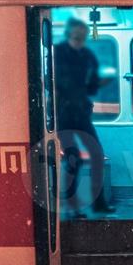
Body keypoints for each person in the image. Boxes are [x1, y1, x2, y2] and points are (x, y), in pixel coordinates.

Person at [53, 17, 114, 214]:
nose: (81, 36)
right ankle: (72, 204)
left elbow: (91, 85)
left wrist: (100, 84)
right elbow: (58, 83)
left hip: (81, 113)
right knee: (73, 157)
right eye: (78, 32)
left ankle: (99, 203)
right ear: (70, 32)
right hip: (63, 114)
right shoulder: (58, 53)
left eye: (83, 33)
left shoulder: (88, 56)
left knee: (97, 154)